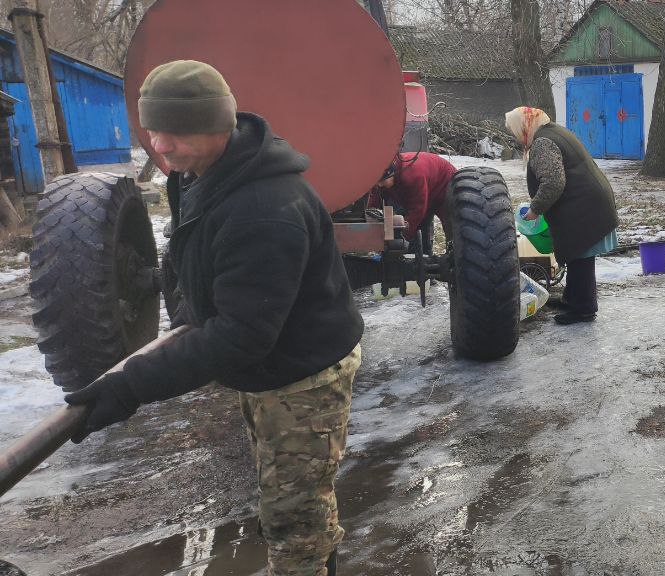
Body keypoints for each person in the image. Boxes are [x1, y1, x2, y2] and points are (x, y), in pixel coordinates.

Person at [64, 60, 363, 576]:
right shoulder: (202, 172)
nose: (160, 145)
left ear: (218, 124)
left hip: (302, 375)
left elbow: (241, 336)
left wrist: (130, 385)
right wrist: (188, 306)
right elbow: (188, 249)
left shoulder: (265, 208)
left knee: (294, 515)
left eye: (175, 131)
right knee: (289, 489)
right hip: (269, 366)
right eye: (154, 130)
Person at [506, 106, 619, 325]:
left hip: (583, 205)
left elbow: (553, 182)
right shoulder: (553, 131)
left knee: (581, 256)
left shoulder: (542, 142)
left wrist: (535, 209)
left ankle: (584, 309)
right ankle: (572, 299)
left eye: (515, 130)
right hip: (588, 201)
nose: (516, 136)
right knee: (576, 256)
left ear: (524, 125)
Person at [372, 152, 457, 248]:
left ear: (391, 173)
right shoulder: (388, 175)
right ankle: (422, 252)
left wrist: (402, 237)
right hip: (425, 186)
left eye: (381, 181)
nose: (379, 185)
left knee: (450, 229)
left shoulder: (412, 176)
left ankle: (450, 256)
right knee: (418, 223)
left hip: (444, 185)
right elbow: (376, 200)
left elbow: (417, 211)